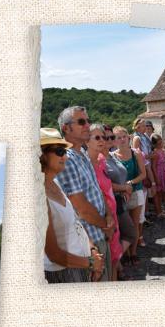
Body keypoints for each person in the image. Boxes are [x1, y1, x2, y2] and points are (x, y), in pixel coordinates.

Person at [53, 106, 113, 279]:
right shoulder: (67, 159)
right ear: (66, 128)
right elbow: (81, 208)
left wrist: (108, 217)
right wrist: (105, 225)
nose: (87, 125)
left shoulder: (83, 154)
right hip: (88, 242)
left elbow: (96, 189)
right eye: (81, 122)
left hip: (100, 233)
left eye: (87, 120)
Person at [42, 128, 104, 283]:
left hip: (79, 265)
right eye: (59, 151)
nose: (65, 156)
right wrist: (91, 263)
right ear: (41, 154)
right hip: (63, 274)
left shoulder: (55, 183)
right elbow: (54, 254)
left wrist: (92, 250)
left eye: (64, 151)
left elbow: (77, 224)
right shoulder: (39, 196)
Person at [98, 124, 136, 279]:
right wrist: (123, 188)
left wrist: (125, 188)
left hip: (120, 200)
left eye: (111, 137)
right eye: (105, 137)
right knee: (129, 233)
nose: (109, 140)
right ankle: (113, 262)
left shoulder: (112, 155)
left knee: (122, 235)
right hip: (111, 203)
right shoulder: (99, 159)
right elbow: (103, 184)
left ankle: (116, 264)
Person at [87, 124, 122, 280]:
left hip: (110, 214)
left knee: (113, 260)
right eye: (97, 137)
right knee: (102, 268)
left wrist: (110, 217)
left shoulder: (101, 160)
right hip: (98, 223)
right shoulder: (86, 164)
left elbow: (105, 190)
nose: (103, 140)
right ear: (86, 141)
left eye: (104, 137)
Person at [112, 126, 147, 263]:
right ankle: (124, 253)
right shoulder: (112, 156)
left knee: (135, 223)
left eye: (123, 137)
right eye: (118, 138)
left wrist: (130, 183)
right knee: (122, 225)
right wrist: (123, 187)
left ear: (128, 138)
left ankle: (133, 253)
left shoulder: (136, 153)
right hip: (120, 194)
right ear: (114, 141)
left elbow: (143, 174)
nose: (121, 140)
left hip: (135, 191)